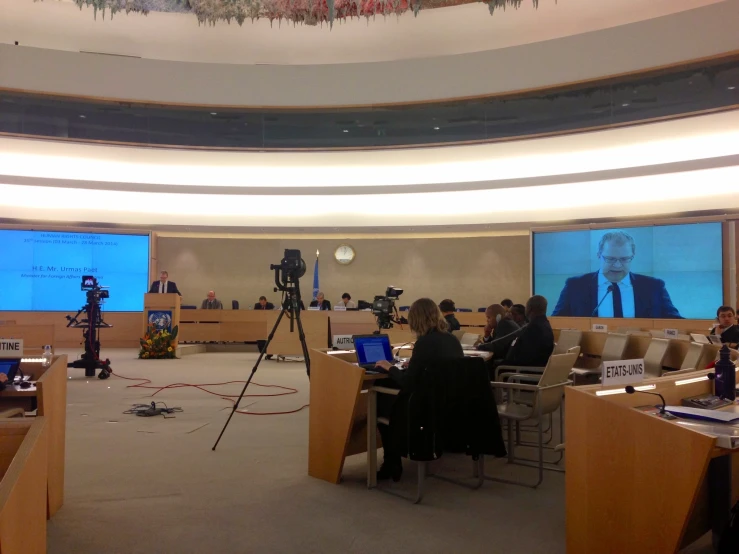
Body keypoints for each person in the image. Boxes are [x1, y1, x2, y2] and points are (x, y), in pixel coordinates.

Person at [373, 298, 464, 481]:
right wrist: (413, 364)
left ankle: (392, 462)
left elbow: (409, 382)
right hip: (448, 405)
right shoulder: (452, 340)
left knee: (379, 400)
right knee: (389, 392)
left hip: (424, 410)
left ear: (416, 319)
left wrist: (389, 368)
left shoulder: (424, 343)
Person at [551, 230, 681, 318]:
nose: (617, 265)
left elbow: (675, 323)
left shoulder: (653, 287)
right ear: (599, 255)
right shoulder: (576, 286)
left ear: (632, 257)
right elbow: (558, 322)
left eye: (624, 259)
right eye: (610, 259)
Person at [504, 295, 554, 367]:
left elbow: (522, 356)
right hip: (537, 367)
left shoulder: (533, 328)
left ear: (529, 308)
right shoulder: (545, 324)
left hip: (522, 371)